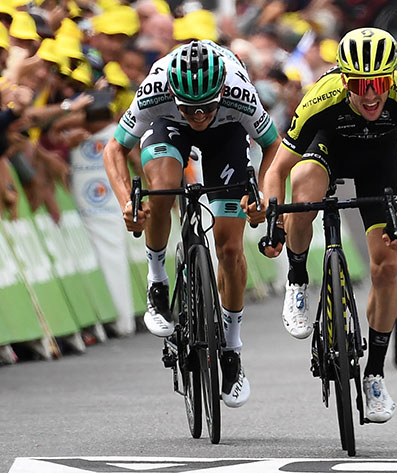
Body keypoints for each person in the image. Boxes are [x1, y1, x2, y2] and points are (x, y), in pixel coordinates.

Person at [261, 27, 397, 423]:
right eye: (359, 84)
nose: (371, 94)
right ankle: (298, 278)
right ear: (344, 80)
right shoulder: (320, 98)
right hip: (327, 151)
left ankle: (374, 373)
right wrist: (275, 218)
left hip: (379, 163)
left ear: (391, 78)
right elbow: (276, 172)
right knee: (304, 185)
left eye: (379, 83)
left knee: (386, 266)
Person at [103, 39, 281, 408]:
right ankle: (158, 282)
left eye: (206, 108)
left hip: (227, 135)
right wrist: (126, 203)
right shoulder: (155, 89)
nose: (198, 116)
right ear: (175, 95)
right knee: (163, 189)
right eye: (191, 109)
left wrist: (262, 194)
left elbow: (273, 146)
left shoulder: (238, 92)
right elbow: (115, 148)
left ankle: (232, 349)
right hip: (169, 127)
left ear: (220, 93)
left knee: (230, 247)